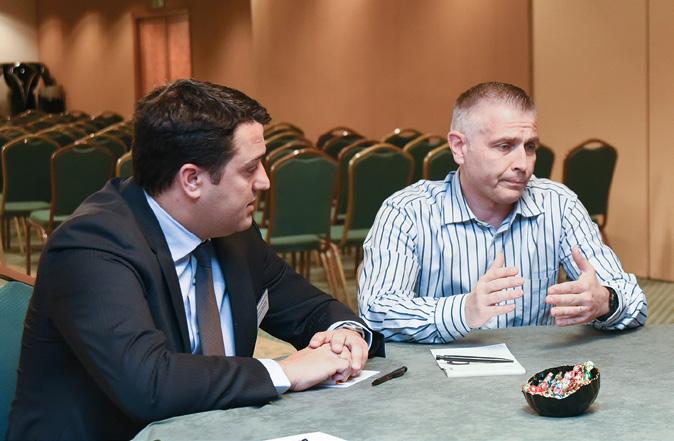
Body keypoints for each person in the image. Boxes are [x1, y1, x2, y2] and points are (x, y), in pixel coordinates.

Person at [7, 79, 384, 441]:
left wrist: (344, 334)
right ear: (192, 180)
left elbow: (310, 308)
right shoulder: (92, 247)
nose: (265, 181)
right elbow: (148, 383)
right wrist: (284, 371)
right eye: (249, 168)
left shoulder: (232, 232)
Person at [358, 81, 646, 343]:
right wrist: (464, 311)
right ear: (459, 147)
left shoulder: (558, 205)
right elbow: (376, 312)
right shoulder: (408, 212)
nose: (523, 163)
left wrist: (605, 301)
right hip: (438, 377)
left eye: (530, 147)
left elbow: (635, 301)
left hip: (534, 374)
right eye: (505, 146)